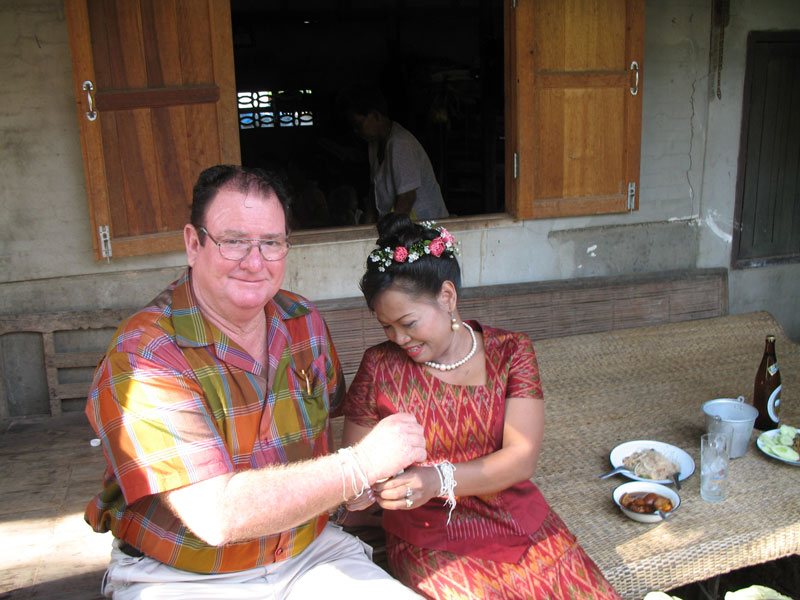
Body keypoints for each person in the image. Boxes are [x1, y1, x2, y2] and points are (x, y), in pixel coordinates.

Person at [83, 165, 428, 599]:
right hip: (182, 574)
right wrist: (357, 467)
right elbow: (216, 516)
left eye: (271, 243)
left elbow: (340, 419)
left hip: (310, 554)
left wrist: (363, 483)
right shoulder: (146, 353)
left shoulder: (304, 323)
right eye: (233, 242)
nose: (254, 261)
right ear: (194, 243)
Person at [341, 214, 623, 600]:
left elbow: (521, 458)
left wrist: (436, 480)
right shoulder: (379, 366)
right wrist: (362, 490)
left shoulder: (511, 352)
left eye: (408, 322)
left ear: (448, 297)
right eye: (387, 327)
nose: (399, 338)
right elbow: (356, 465)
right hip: (428, 534)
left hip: (515, 519)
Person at [339, 83, 449, 223]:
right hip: (403, 228)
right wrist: (366, 231)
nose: (356, 131)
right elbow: (374, 193)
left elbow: (407, 198)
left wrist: (390, 235)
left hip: (425, 228)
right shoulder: (374, 144)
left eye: (358, 124)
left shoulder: (400, 144)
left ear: (375, 115)